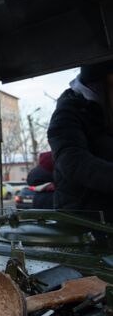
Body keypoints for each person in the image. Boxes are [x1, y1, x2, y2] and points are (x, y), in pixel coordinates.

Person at [48, 59, 113, 223]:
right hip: (83, 222)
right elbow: (72, 161)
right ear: (101, 83)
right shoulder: (68, 111)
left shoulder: (106, 109)